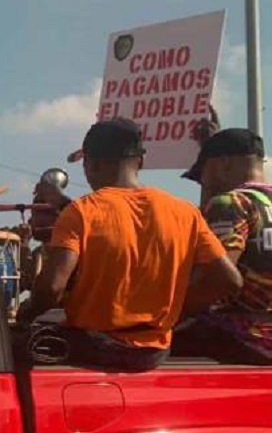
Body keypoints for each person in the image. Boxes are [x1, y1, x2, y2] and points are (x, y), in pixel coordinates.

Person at [16, 118, 241, 371]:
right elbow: (229, 280)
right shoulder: (185, 212)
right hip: (154, 351)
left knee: (16, 341)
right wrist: (175, 312)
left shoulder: (81, 212)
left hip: (98, 344)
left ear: (91, 165)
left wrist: (26, 314)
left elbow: (52, 287)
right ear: (140, 161)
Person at [173, 128, 272, 364]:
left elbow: (218, 278)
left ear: (223, 163)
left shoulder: (231, 202)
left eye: (202, 174)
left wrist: (172, 314)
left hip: (247, 335)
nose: (204, 182)